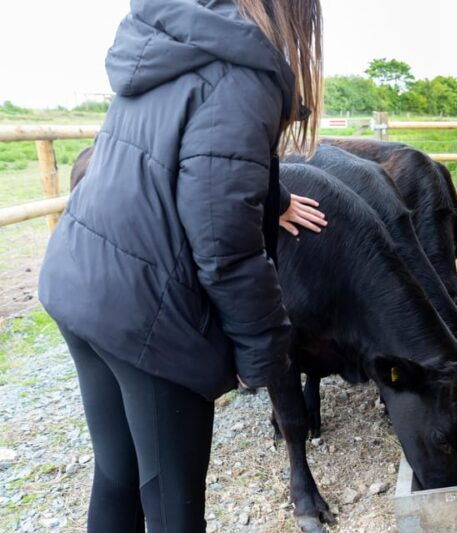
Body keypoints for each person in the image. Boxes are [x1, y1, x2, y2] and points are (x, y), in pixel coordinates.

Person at [38, 0, 324, 530]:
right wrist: (260, 353)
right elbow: (224, 243)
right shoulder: (243, 75)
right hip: (143, 312)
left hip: (81, 276)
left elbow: (190, 149)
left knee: (119, 473)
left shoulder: (170, 40)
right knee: (175, 508)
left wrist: (274, 197)